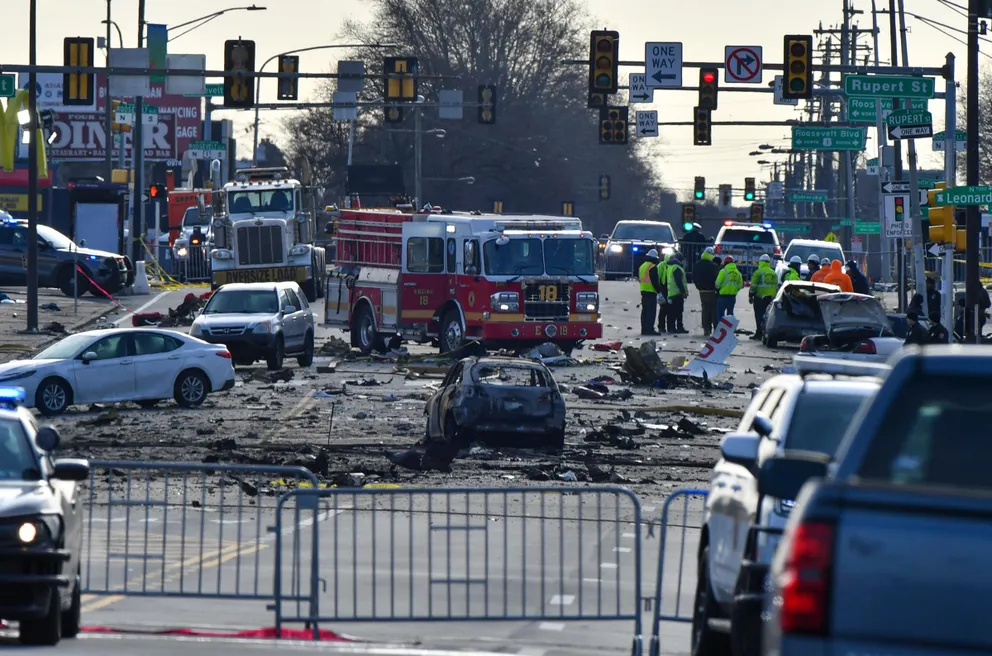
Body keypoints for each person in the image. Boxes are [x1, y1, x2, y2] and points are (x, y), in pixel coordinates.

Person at [749, 253, 779, 341]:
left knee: (758, 316)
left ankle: (759, 333)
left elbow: (753, 286)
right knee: (768, 316)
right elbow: (776, 286)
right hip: (770, 298)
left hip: (760, 298)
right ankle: (765, 332)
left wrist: (751, 295)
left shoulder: (758, 272)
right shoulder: (773, 273)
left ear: (760, 262)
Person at [693, 246, 720, 336]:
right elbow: (717, 279)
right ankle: (716, 329)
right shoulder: (714, 266)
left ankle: (706, 329)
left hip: (702, 291)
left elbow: (694, 277)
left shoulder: (697, 264)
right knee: (713, 311)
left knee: (705, 310)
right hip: (711, 291)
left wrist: (698, 287)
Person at [638, 249, 663, 336]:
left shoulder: (642, 266)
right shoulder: (652, 267)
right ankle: (650, 329)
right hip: (651, 291)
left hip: (643, 290)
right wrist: (659, 292)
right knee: (651, 312)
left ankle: (644, 329)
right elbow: (655, 281)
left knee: (645, 311)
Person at [664, 253, 689, 333]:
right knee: (678, 311)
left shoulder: (670, 267)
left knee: (672, 312)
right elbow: (679, 281)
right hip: (677, 293)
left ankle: (672, 328)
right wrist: (683, 292)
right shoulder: (677, 268)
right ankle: (678, 327)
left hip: (671, 292)